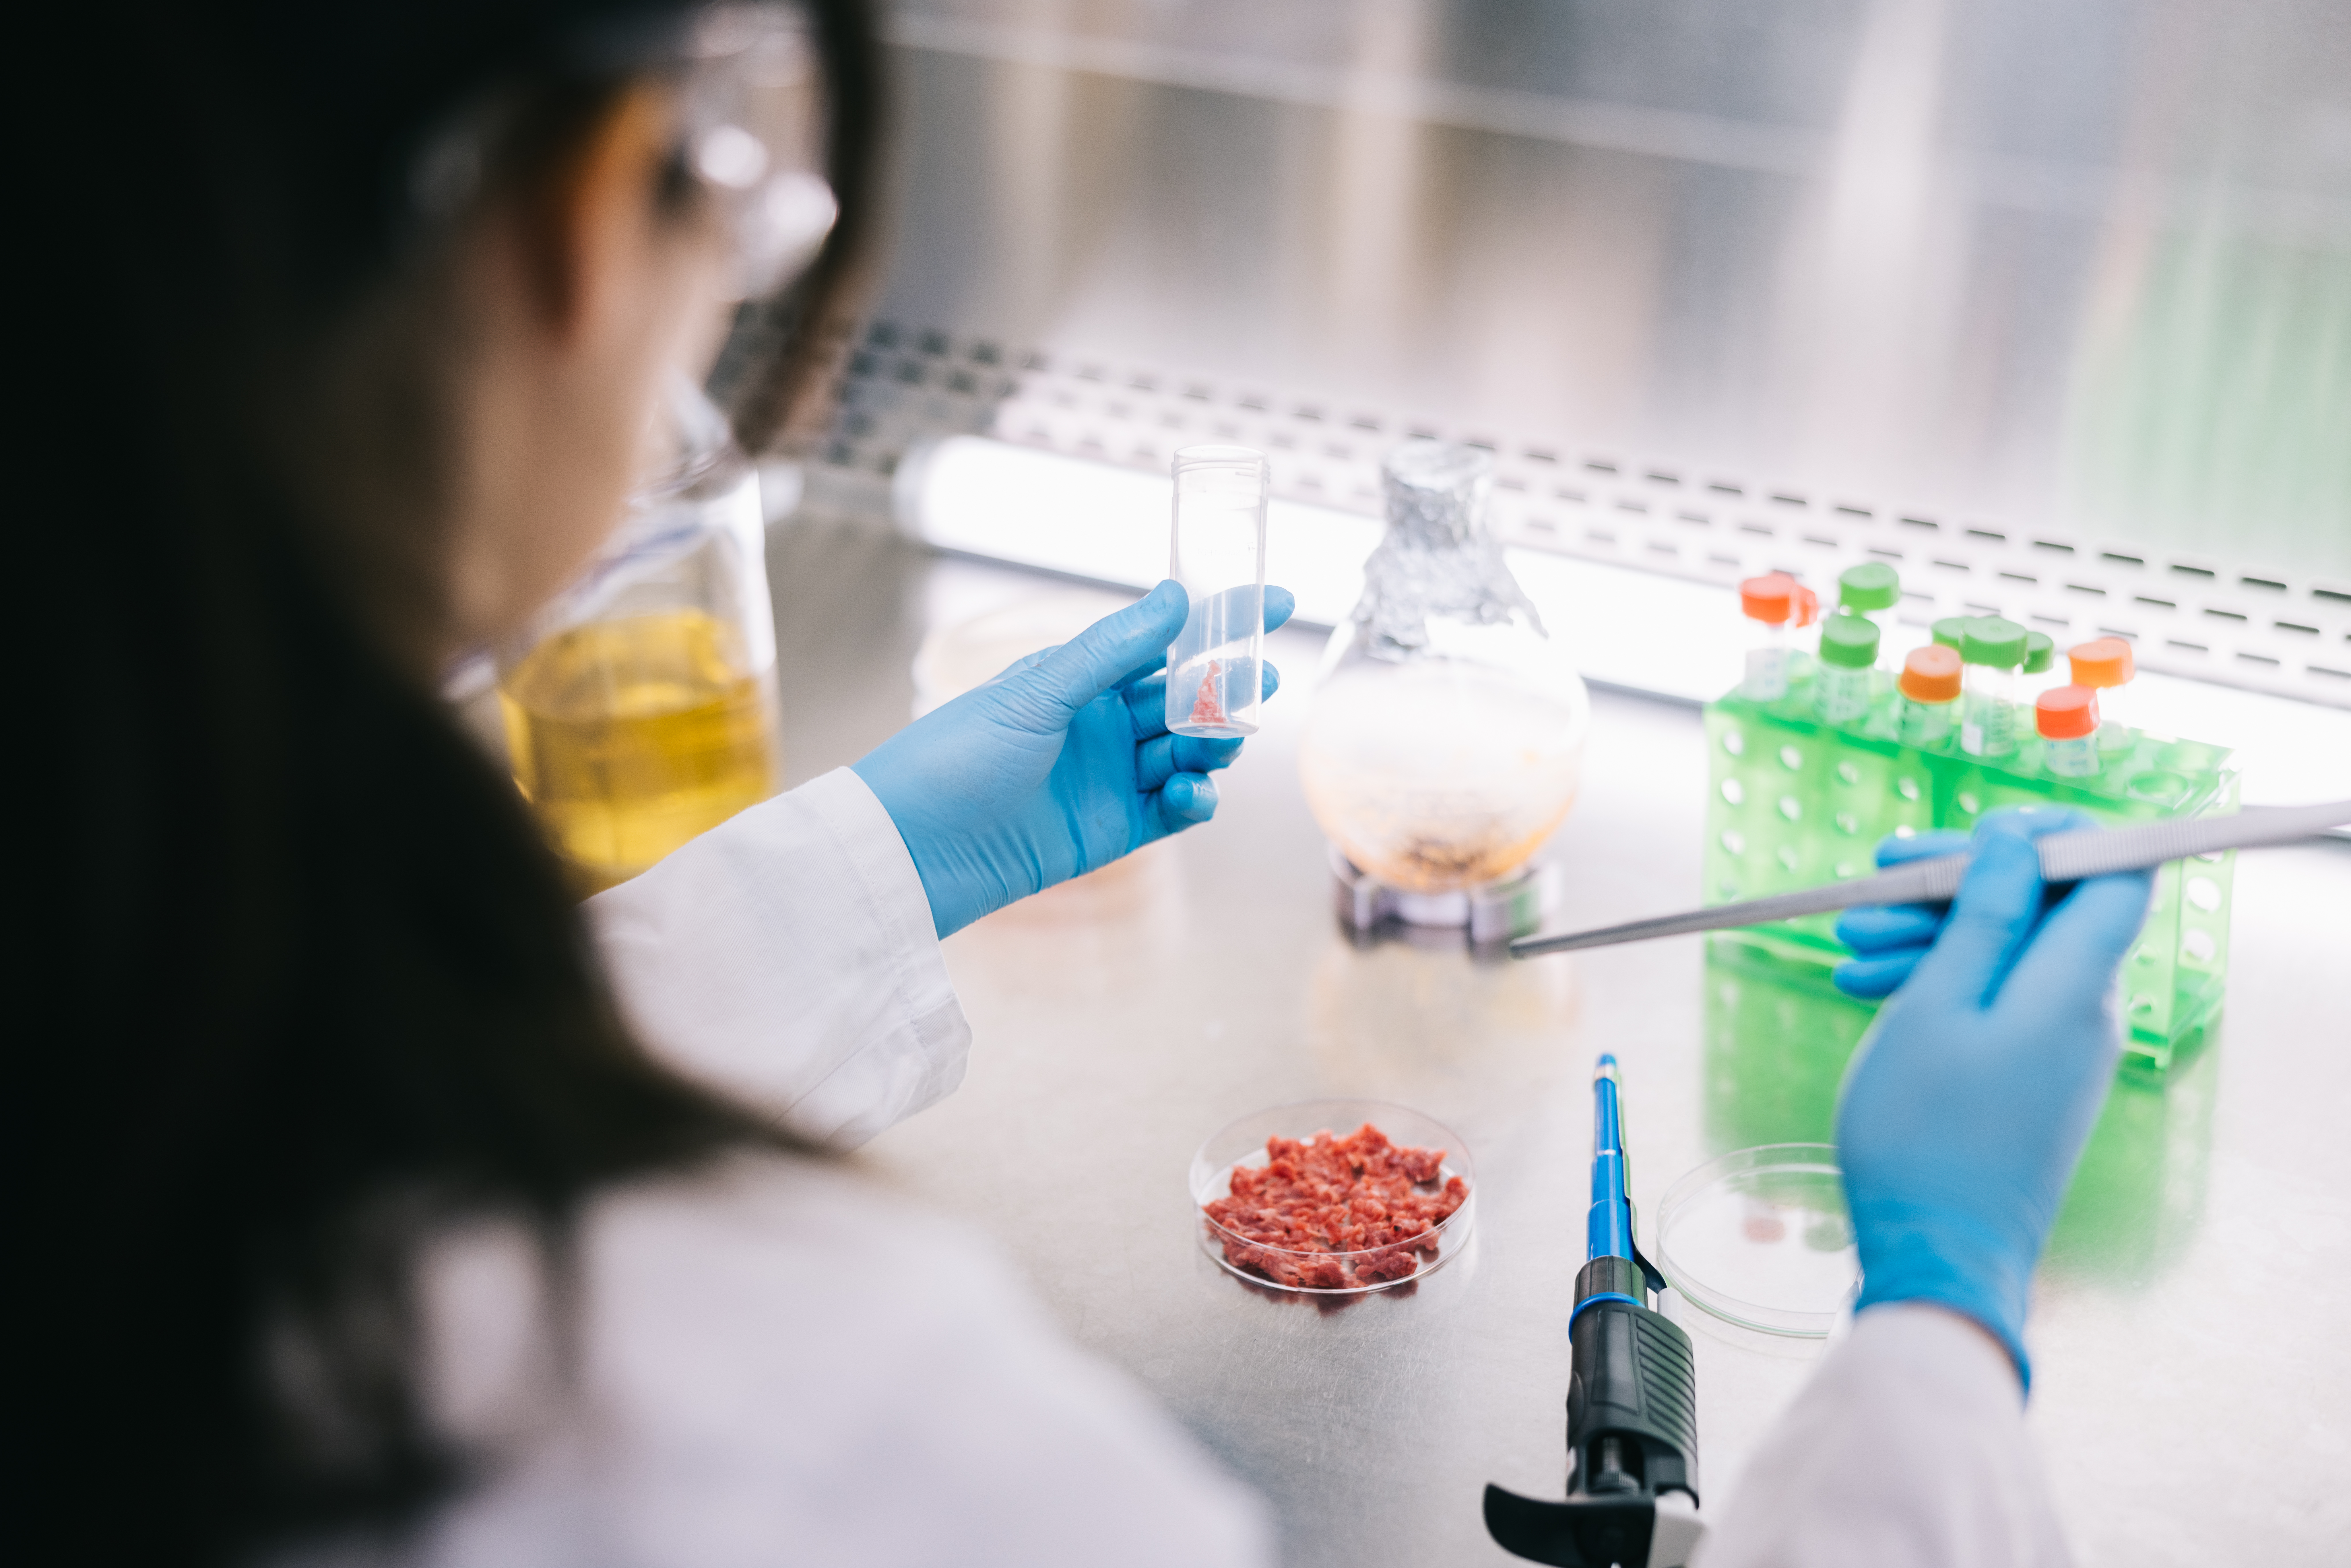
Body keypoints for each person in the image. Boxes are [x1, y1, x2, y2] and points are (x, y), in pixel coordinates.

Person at [14, 3, 2154, 1565]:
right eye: (726, 181)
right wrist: (1937, 1328)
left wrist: (878, 860)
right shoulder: (812, 1422)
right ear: (575, 226)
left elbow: (383, 1128)